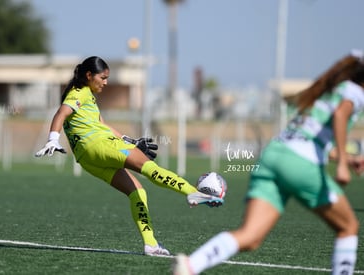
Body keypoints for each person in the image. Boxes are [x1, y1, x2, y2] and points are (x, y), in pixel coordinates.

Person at [172, 51, 364, 274]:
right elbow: (341, 115)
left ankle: (191, 265)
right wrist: (341, 163)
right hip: (299, 163)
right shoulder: (354, 92)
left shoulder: (327, 93)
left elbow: (309, 138)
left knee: (251, 236)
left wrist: (347, 159)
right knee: (348, 227)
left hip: (273, 155)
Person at [35, 56, 224, 256]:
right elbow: (61, 113)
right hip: (99, 145)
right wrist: (52, 139)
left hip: (88, 159)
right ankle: (192, 192)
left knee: (138, 192)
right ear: (89, 75)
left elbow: (103, 125)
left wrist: (130, 141)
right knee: (151, 168)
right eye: (103, 77)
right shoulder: (79, 93)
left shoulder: (87, 95)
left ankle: (151, 244)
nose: (106, 82)